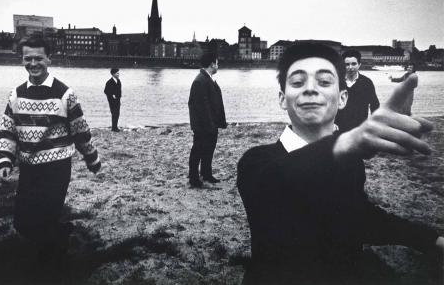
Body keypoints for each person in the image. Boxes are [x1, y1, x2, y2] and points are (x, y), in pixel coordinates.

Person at [237, 42, 443, 284]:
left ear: (343, 98)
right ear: (283, 99)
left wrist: (431, 239)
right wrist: (344, 144)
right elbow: (279, 181)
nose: (310, 89)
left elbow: (358, 216)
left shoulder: (349, 160)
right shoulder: (256, 161)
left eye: (324, 82)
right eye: (297, 82)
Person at [0, 36, 101, 268]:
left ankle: (51, 262)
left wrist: (92, 159)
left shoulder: (65, 94)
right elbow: (8, 131)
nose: (33, 63)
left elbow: (80, 131)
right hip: (28, 167)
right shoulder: (15, 95)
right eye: (28, 58)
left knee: (46, 217)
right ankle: (61, 237)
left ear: (49, 59)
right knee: (22, 222)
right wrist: (5, 160)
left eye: (38, 58)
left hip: (57, 167)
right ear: (22, 59)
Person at [188, 51, 227, 188]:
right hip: (203, 126)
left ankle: (206, 174)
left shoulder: (206, 78)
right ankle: (193, 179)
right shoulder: (200, 80)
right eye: (217, 63)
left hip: (210, 124)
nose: (218, 65)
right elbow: (201, 107)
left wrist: (216, 123)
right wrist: (209, 125)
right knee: (198, 151)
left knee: (208, 150)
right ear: (212, 64)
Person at [335, 49, 379, 132]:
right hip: (338, 129)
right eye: (347, 64)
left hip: (359, 129)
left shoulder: (367, 83)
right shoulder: (336, 82)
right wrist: (331, 123)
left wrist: (374, 125)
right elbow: (329, 104)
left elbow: (375, 105)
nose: (350, 67)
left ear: (359, 65)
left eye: (354, 64)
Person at [104, 68, 122, 132]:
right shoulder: (109, 82)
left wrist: (119, 97)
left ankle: (115, 126)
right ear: (113, 74)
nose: (118, 74)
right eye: (117, 73)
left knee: (117, 113)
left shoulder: (119, 81)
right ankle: (113, 128)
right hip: (112, 101)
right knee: (114, 113)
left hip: (118, 100)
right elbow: (106, 91)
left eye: (118, 73)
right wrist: (111, 95)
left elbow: (119, 91)